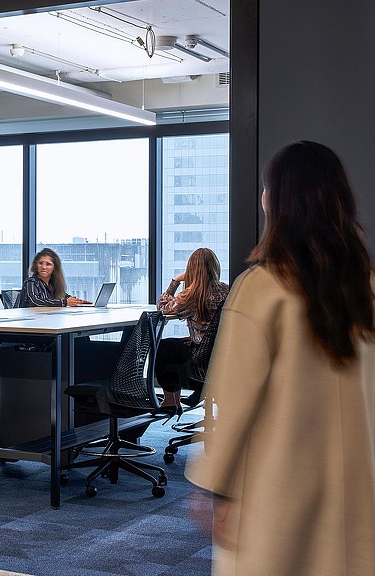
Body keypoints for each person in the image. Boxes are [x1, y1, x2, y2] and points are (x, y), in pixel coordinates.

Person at [187, 141, 375, 575]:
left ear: (275, 201)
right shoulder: (364, 288)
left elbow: (232, 404)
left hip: (276, 495)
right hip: (355, 494)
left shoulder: (261, 289)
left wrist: (213, 485)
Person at [154, 247, 228, 410]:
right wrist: (197, 338)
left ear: (191, 270)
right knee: (173, 346)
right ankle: (198, 392)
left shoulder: (189, 296)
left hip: (199, 356)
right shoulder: (225, 290)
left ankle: (170, 402)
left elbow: (161, 307)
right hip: (219, 352)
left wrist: (175, 281)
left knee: (163, 348)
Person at [16, 248, 91, 307]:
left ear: (54, 268)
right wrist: (64, 303)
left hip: (46, 319)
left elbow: (64, 296)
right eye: (40, 263)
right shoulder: (31, 282)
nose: (43, 267)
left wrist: (77, 301)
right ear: (36, 265)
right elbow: (34, 301)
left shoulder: (52, 284)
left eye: (48, 264)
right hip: (32, 322)